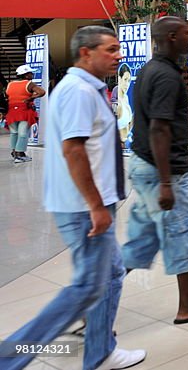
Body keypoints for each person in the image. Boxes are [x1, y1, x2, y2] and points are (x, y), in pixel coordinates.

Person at [0, 27, 145, 370]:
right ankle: (8, 357)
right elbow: (74, 150)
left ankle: (100, 351)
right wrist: (96, 206)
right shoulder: (79, 91)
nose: (118, 55)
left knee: (109, 277)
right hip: (82, 206)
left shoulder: (86, 89)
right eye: (110, 50)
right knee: (86, 288)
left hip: (89, 203)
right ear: (86, 53)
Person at [122, 16, 188, 325]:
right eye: (186, 33)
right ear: (171, 37)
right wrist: (167, 182)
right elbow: (159, 129)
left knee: (139, 244)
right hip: (163, 172)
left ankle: (95, 301)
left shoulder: (148, 70)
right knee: (183, 235)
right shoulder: (166, 77)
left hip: (144, 166)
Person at [6, 64, 45, 163]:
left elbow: (8, 94)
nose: (32, 75)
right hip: (24, 111)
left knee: (14, 133)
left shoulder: (10, 84)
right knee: (23, 133)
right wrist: (30, 98)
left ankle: (15, 152)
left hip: (11, 111)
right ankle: (20, 154)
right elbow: (42, 92)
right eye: (30, 73)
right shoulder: (29, 83)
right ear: (26, 75)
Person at [114, 63, 132, 147]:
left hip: (128, 145)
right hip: (120, 147)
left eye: (129, 81)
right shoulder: (117, 102)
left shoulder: (126, 98)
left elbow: (129, 125)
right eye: (125, 79)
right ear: (119, 79)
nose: (127, 84)